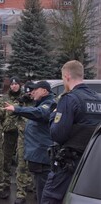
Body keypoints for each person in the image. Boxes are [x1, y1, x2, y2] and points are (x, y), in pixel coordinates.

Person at [41, 60, 101, 203]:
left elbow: (58, 134)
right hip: (93, 163)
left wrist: (52, 116)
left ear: (67, 76)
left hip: (70, 163)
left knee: (50, 198)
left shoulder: (69, 99)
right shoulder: (98, 99)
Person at [4, 80, 57, 204]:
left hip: (43, 157)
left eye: (35, 90)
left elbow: (40, 114)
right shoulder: (39, 104)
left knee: (44, 194)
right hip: (37, 157)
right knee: (40, 191)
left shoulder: (49, 104)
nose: (32, 92)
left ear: (44, 91)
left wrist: (17, 109)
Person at [2, 77, 33, 203]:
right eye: (12, 84)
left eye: (16, 84)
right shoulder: (7, 98)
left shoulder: (34, 101)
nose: (14, 86)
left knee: (25, 161)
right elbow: (6, 113)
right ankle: (6, 182)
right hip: (10, 131)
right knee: (7, 158)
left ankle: (27, 185)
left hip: (26, 134)